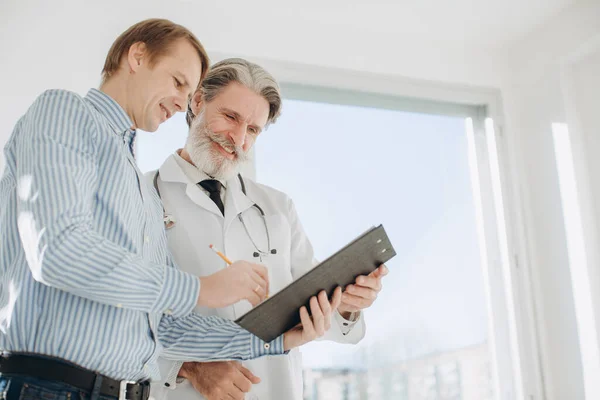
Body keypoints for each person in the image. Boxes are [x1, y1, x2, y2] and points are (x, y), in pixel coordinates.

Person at [0, 20, 339, 400]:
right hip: (50, 387)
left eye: (188, 90)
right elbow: (57, 250)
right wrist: (203, 289)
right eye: (178, 82)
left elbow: (161, 326)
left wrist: (274, 339)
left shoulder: (141, 194)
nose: (181, 103)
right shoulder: (65, 112)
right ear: (137, 56)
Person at [149, 58, 389, 400]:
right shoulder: (144, 195)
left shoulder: (277, 208)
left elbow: (312, 312)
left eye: (253, 130)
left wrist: (348, 305)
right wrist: (185, 367)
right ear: (198, 101)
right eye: (231, 117)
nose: (238, 138)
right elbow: (119, 318)